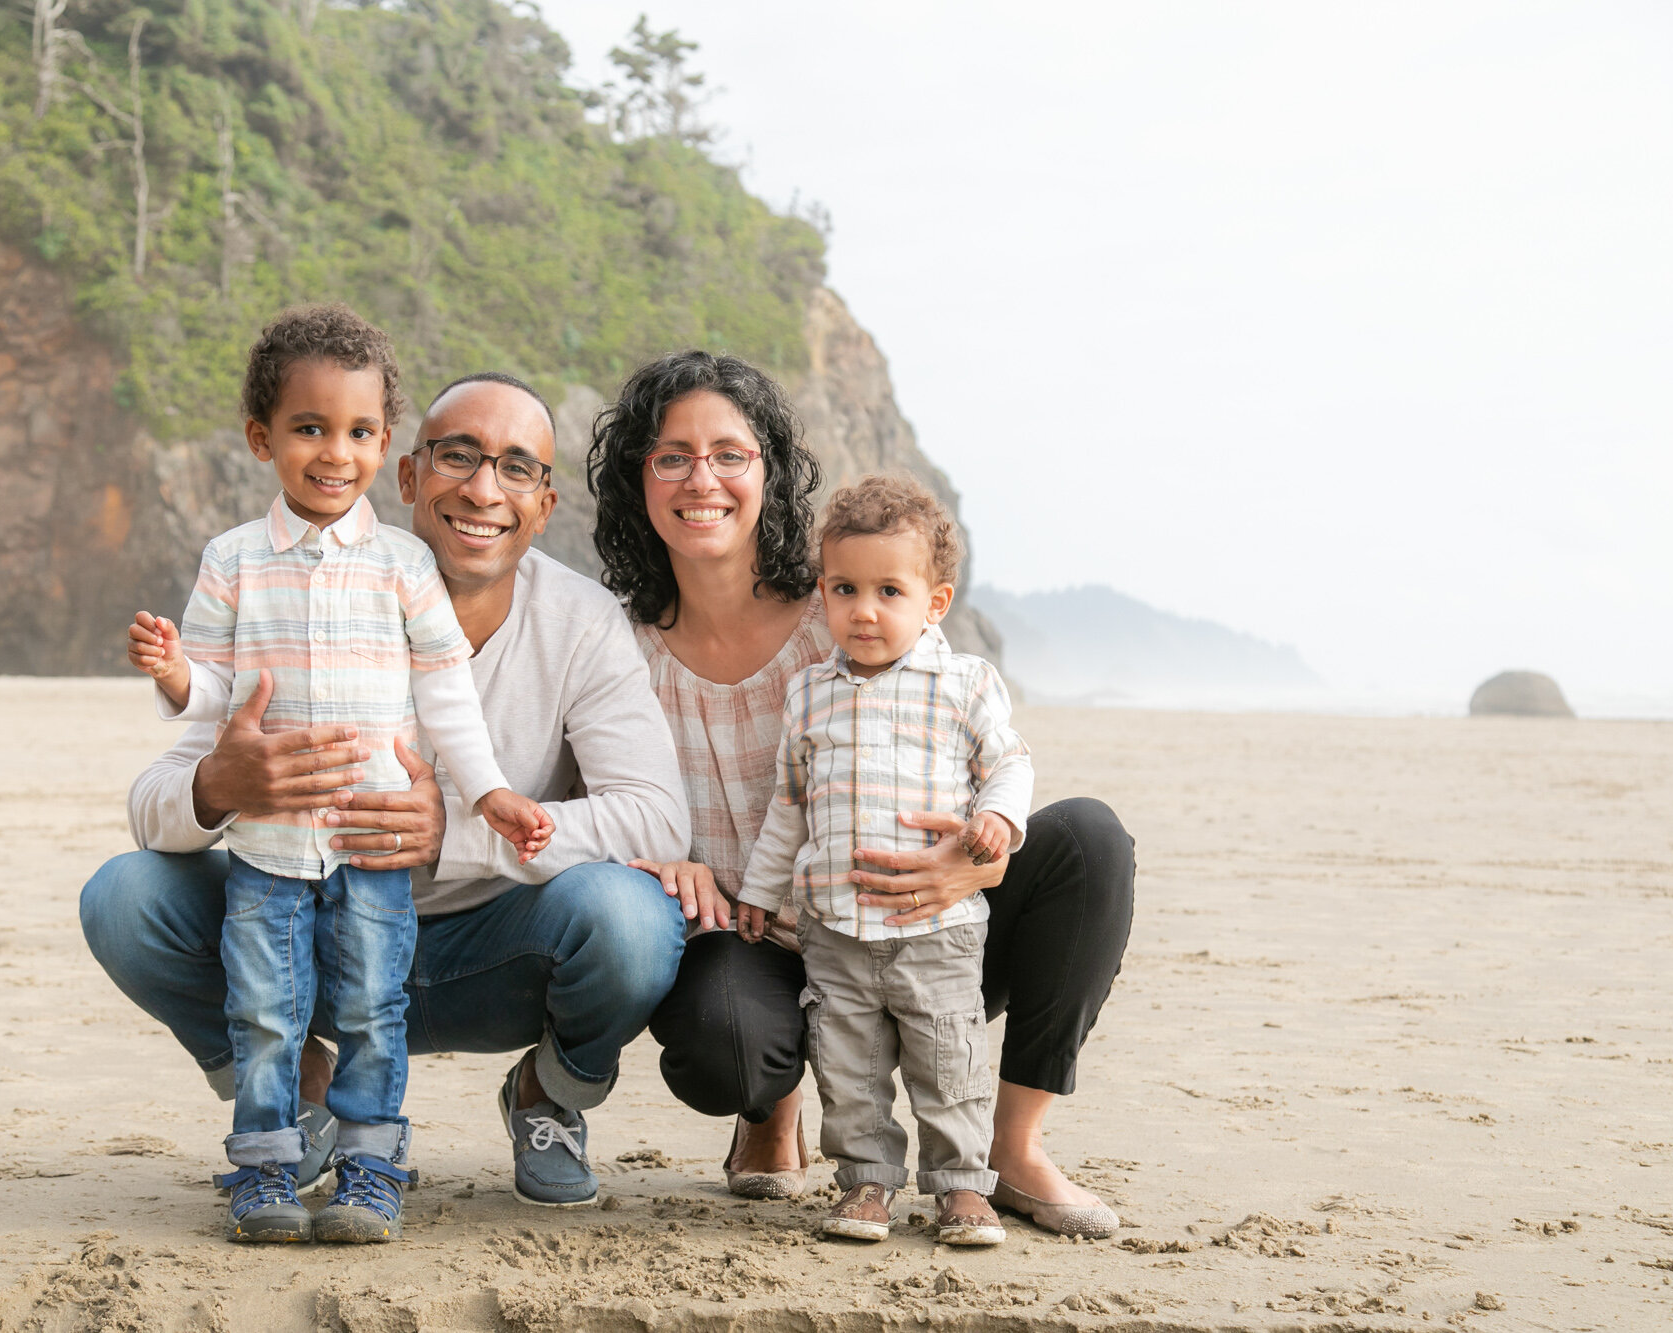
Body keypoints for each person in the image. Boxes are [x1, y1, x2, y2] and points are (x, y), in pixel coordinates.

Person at [80, 366, 690, 1228]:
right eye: (458, 456)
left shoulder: (581, 622)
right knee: (123, 896)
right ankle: (304, 1091)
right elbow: (151, 805)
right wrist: (220, 784)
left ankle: (547, 1095)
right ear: (407, 474)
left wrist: (458, 832)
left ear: (545, 505)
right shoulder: (288, 592)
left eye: (517, 468)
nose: (485, 488)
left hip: (495, 950)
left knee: (632, 919)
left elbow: (657, 815)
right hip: (313, 935)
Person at [588, 350, 1136, 1239]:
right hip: (755, 932)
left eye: (730, 453)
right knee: (724, 1044)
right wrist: (653, 857)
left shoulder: (851, 606)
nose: (702, 478)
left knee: (1089, 843)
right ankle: (771, 1110)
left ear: (768, 469)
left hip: (921, 923)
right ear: (636, 477)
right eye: (671, 456)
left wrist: (975, 864)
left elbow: (975, 746)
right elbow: (587, 798)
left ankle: (1013, 1149)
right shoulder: (616, 648)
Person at [122, 304, 554, 1244]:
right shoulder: (233, 561)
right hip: (268, 849)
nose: (334, 452)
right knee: (265, 1010)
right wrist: (174, 675)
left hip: (371, 845)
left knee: (370, 1006)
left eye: (358, 432)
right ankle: (267, 1167)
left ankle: (370, 1165)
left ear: (386, 442)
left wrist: (487, 793)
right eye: (309, 428)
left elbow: (447, 699)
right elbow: (215, 700)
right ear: (261, 438)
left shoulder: (405, 567)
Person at [736, 474, 1023, 1246]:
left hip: (938, 928)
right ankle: (866, 1182)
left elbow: (1009, 765)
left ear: (934, 601)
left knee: (948, 1059)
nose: (864, 610)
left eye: (889, 590)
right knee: (849, 1068)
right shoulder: (810, 694)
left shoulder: (962, 684)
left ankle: (962, 1187)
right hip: (836, 931)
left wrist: (996, 817)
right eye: (845, 587)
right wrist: (761, 893)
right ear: (823, 591)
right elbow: (788, 808)